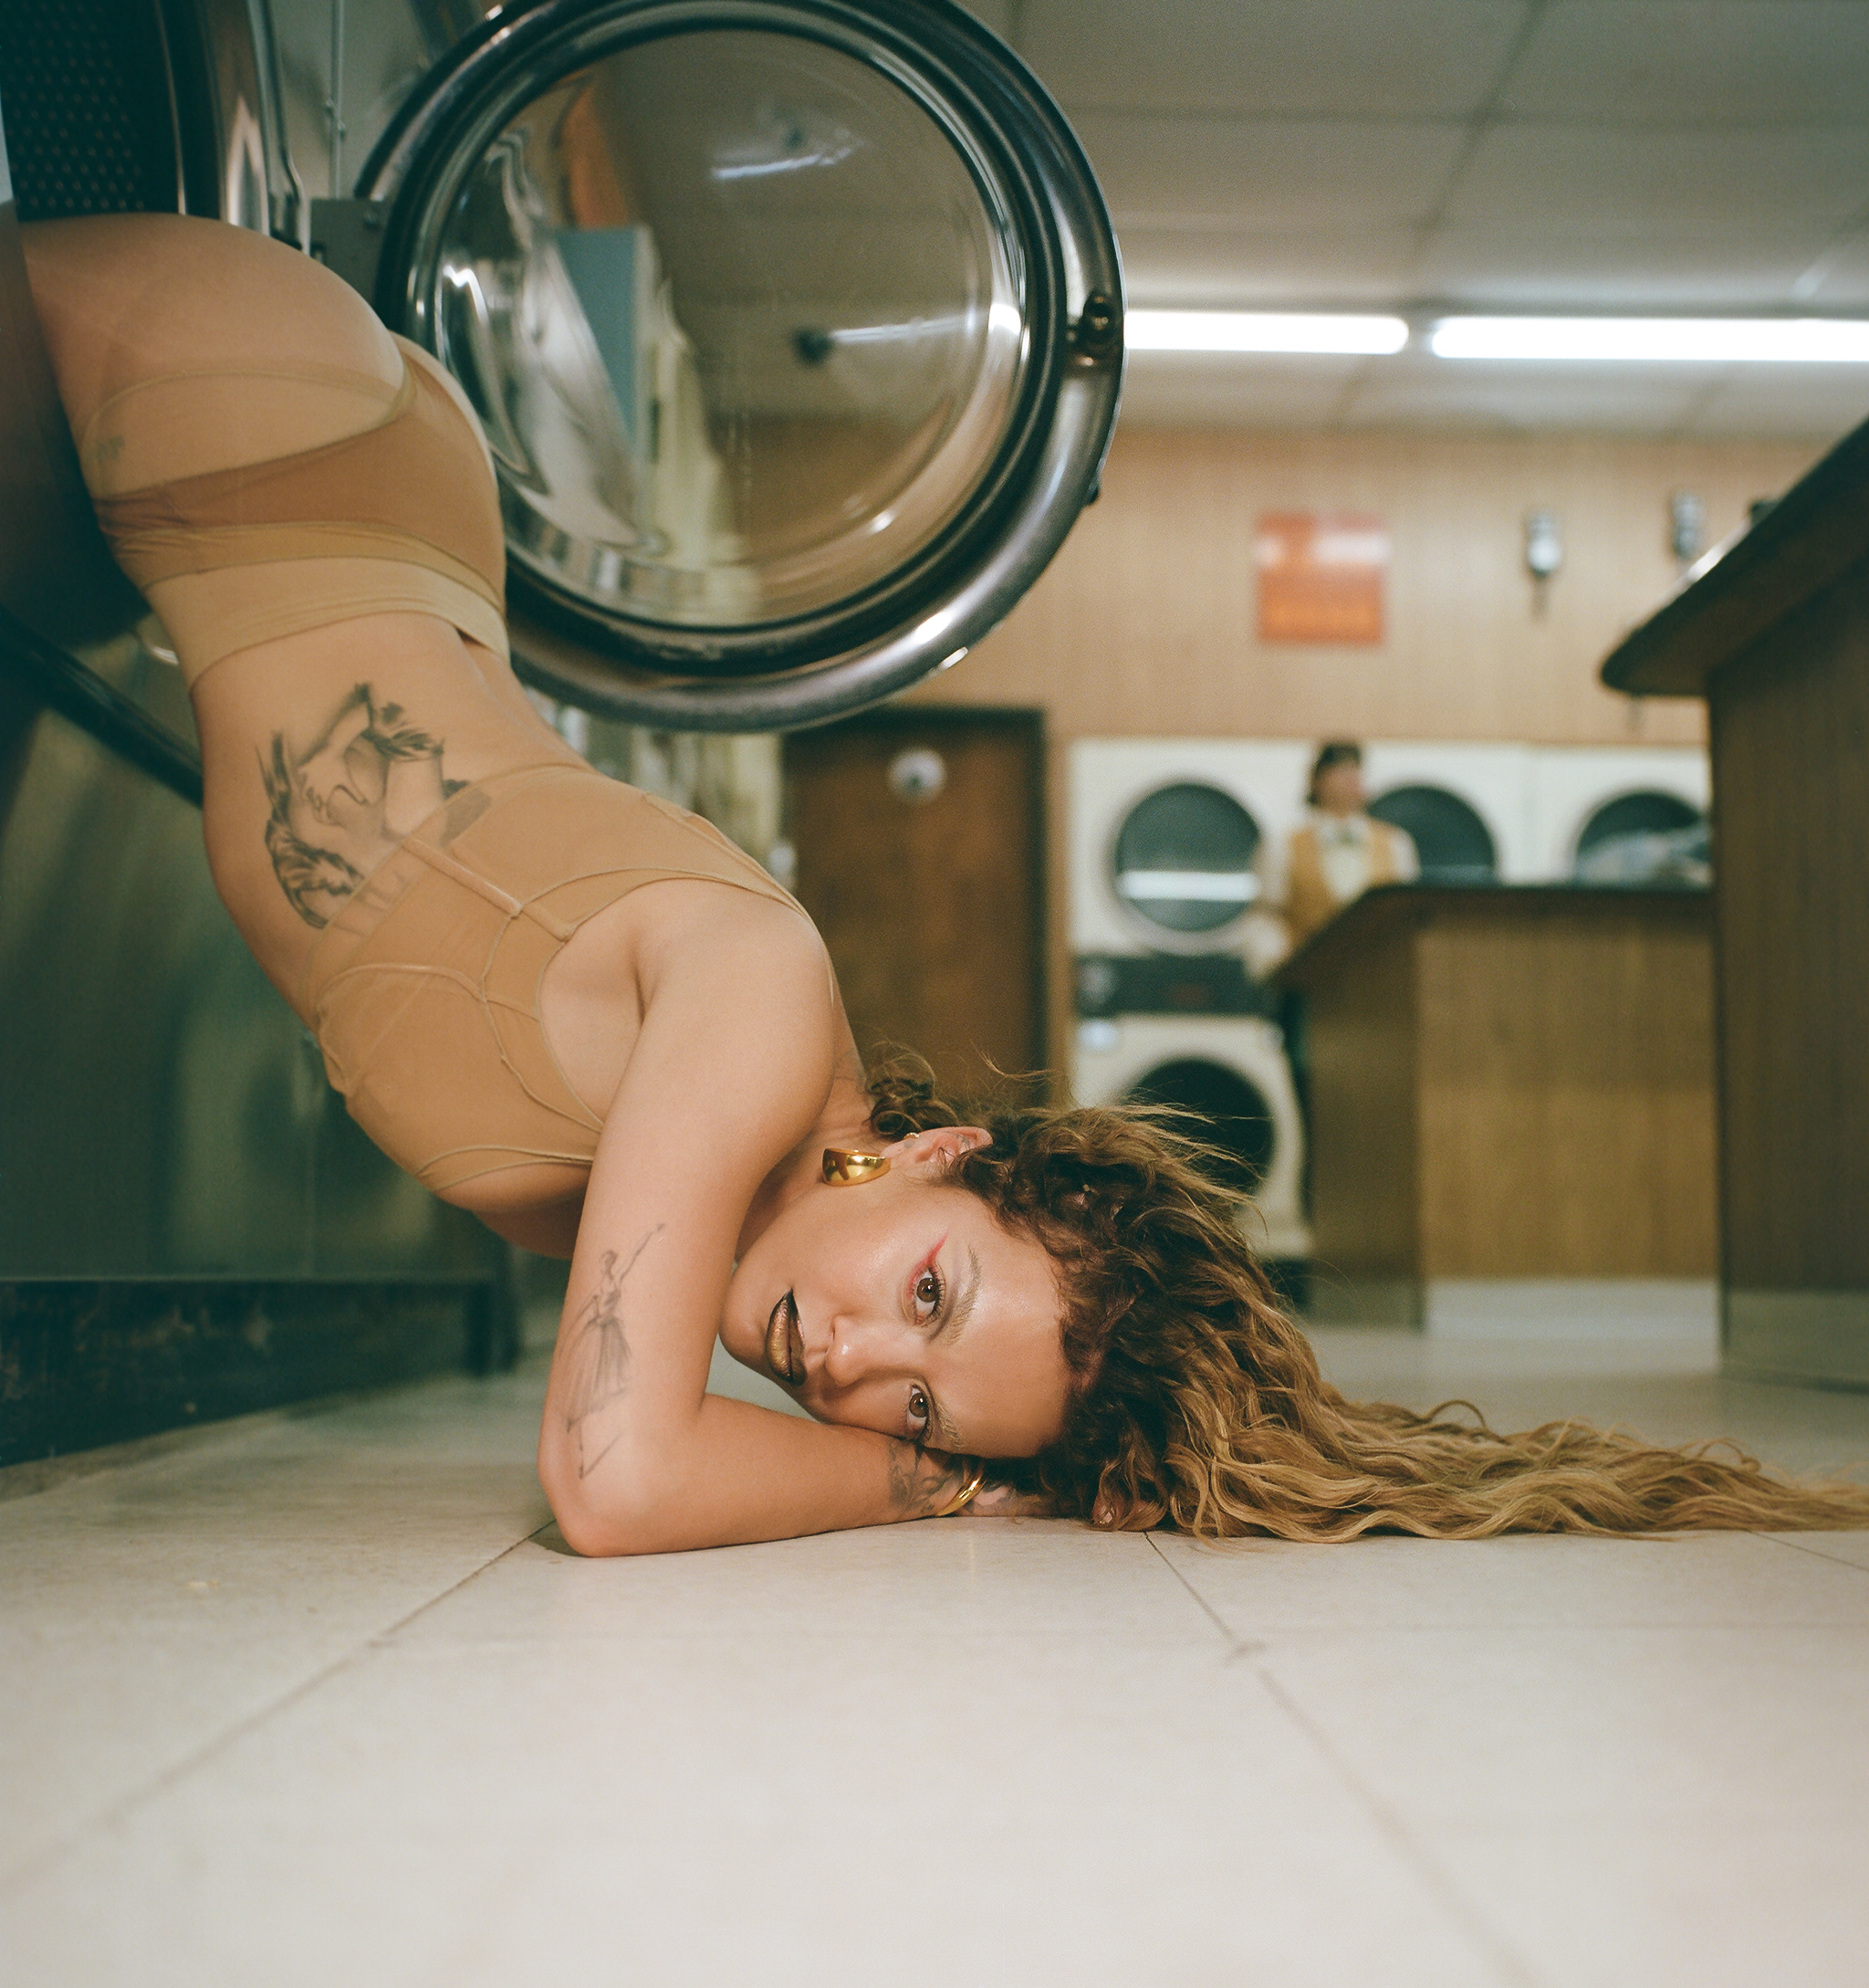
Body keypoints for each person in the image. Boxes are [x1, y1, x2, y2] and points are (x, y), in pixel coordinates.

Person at [23, 215, 1861, 1553]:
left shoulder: (719, 1184)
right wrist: (930, 1479)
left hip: (344, 500)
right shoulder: (753, 1008)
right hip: (238, 419)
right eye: (926, 1293)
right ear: (930, 1157)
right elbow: (614, 1476)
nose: (844, 1365)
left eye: (911, 1396)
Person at [1248, 739, 1416, 975]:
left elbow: (1407, 917)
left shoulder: (1396, 844)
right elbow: (1267, 916)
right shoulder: (1282, 846)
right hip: (1309, 979)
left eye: (1355, 769)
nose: (1350, 778)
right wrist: (1274, 964)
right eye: (1339, 770)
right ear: (1316, 782)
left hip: (1378, 977)